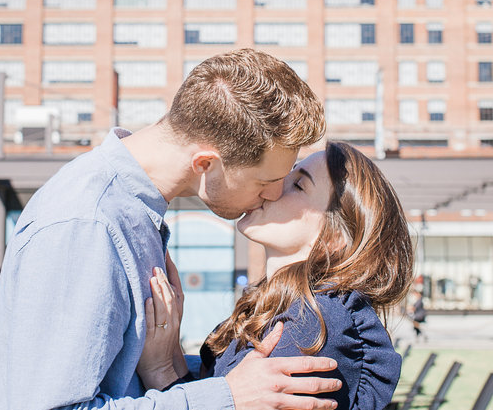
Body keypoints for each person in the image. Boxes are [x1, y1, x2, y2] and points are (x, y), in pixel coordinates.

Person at [0, 49, 341, 410]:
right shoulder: (88, 224)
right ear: (206, 164)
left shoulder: (127, 211)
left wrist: (189, 370)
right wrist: (226, 398)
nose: (274, 194)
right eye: (268, 179)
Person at [137, 142, 414, 410]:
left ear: (333, 237)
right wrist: (171, 355)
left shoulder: (317, 322)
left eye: (298, 184)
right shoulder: (292, 309)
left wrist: (160, 371)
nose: (274, 186)